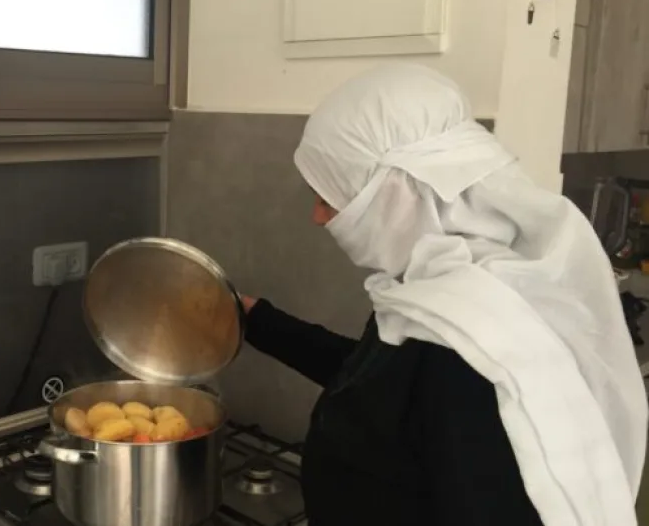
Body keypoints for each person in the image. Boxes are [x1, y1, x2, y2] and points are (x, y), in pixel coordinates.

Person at [238, 64, 647, 526]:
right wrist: (257, 319)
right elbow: (377, 391)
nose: (318, 216)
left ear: (397, 193)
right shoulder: (441, 294)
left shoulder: (473, 349)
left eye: (329, 197)